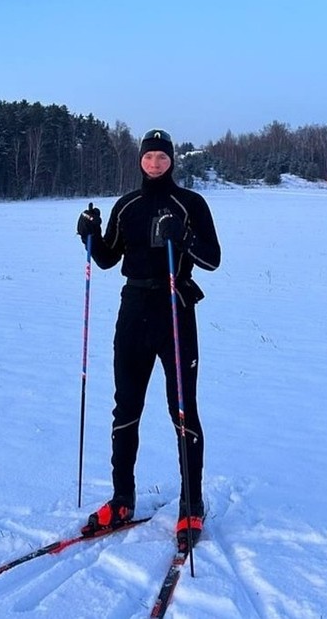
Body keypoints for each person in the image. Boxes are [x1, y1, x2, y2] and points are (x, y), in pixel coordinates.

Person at [75, 128, 221, 551]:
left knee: (182, 408)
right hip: (133, 309)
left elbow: (212, 259)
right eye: (148, 157)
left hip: (175, 309)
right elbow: (106, 258)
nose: (155, 164)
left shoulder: (190, 204)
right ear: (139, 160)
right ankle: (123, 498)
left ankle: (191, 503)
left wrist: (184, 237)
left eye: (162, 158)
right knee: (126, 406)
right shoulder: (127, 206)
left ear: (172, 161)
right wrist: (88, 233)